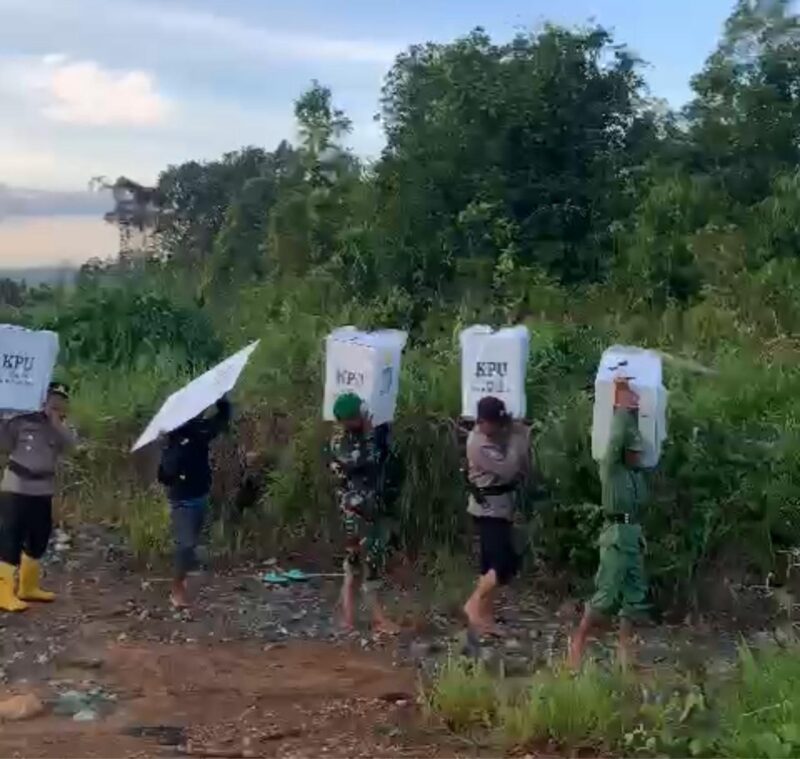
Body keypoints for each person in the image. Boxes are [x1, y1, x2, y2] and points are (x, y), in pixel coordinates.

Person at [568, 377, 650, 670]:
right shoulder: (612, 470)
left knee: (634, 598)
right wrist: (621, 405)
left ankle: (625, 651)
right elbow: (617, 439)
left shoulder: (635, 477)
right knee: (605, 595)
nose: (639, 454)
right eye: (634, 450)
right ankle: (578, 643)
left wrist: (636, 409)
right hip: (615, 534)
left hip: (633, 536)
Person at [0, 381, 77, 612]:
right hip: (16, 488)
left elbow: (72, 446)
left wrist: (56, 423)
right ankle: (4, 593)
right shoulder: (21, 421)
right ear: (42, 399)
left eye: (61, 400)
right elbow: (4, 444)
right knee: (10, 540)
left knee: (39, 538)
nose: (57, 403)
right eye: (53, 398)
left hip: (43, 489)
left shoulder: (61, 427)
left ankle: (28, 587)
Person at [328, 392, 398, 634]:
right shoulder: (343, 443)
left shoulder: (354, 438)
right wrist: (374, 435)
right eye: (359, 415)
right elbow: (367, 460)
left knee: (354, 564)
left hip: (361, 508)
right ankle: (378, 619)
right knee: (369, 563)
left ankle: (347, 618)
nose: (364, 416)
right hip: (358, 511)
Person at [463, 396, 530, 635]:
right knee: (503, 565)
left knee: (490, 566)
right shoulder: (477, 443)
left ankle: (484, 616)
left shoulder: (497, 434)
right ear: (482, 422)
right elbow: (508, 469)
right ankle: (473, 604)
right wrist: (518, 437)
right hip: (488, 509)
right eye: (495, 424)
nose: (500, 428)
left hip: (501, 507)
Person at [157, 395, 231, 609]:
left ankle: (183, 576)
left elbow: (221, 421)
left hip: (200, 495)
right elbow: (164, 475)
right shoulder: (174, 437)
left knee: (192, 546)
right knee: (186, 545)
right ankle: (177, 588)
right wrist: (173, 465)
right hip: (182, 500)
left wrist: (222, 401)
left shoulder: (199, 431)